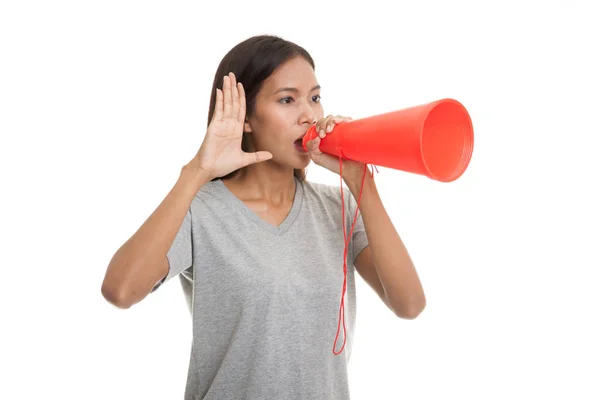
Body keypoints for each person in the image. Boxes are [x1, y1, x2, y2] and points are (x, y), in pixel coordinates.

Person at [101, 34, 426, 400]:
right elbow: (121, 290)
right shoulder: (200, 211)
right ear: (246, 118)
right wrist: (197, 170)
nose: (310, 116)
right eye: (287, 100)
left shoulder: (339, 208)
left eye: (315, 98)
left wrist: (360, 180)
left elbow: (409, 304)